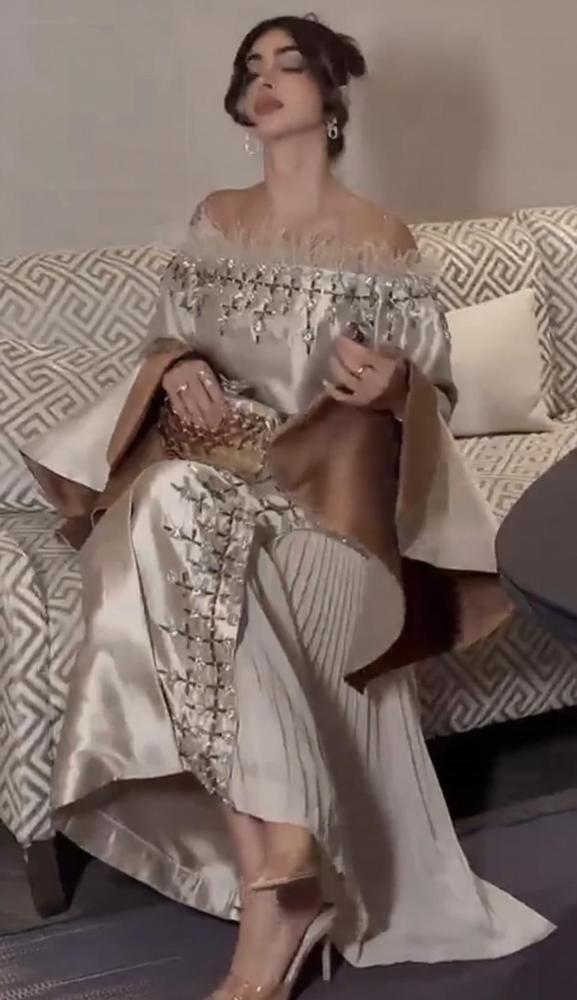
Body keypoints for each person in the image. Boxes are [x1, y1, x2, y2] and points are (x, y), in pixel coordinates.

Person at [22, 14, 554, 1000]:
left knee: (167, 521)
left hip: (318, 507)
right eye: (251, 66)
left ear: (331, 95)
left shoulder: (380, 238)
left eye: (289, 64)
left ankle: (279, 873)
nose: (264, 79)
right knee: (171, 496)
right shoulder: (216, 219)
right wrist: (176, 366)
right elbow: (160, 343)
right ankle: (281, 866)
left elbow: (431, 394)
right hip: (202, 478)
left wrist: (391, 384)